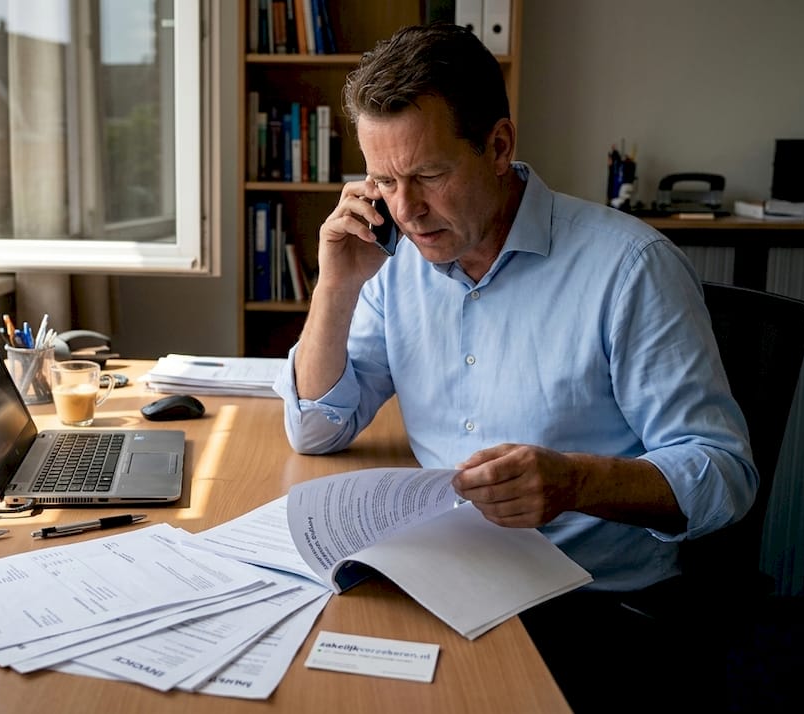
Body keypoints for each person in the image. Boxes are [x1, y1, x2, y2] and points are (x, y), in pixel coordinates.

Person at [271, 23, 756, 713]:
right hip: (442, 579)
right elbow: (317, 429)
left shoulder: (631, 270)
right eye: (384, 180)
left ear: (499, 146)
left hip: (590, 606)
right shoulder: (397, 263)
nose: (406, 211)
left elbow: (725, 474)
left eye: (429, 175)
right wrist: (335, 286)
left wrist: (575, 482)